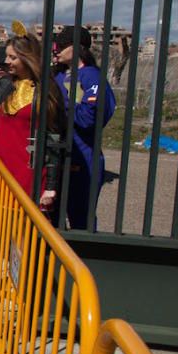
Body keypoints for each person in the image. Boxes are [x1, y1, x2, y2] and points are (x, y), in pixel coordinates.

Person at [0, 35, 65, 264]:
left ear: (27, 57)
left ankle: (16, 293)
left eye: (13, 57)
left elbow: (54, 137)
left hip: (26, 169)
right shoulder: (4, 84)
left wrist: (51, 185)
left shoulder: (47, 89)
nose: (7, 61)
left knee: (19, 234)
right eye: (7, 56)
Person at [53, 26, 115, 230]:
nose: (56, 49)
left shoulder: (92, 76)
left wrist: (63, 104)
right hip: (56, 156)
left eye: (62, 45)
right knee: (52, 217)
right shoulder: (58, 76)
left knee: (81, 219)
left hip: (82, 158)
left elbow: (90, 118)